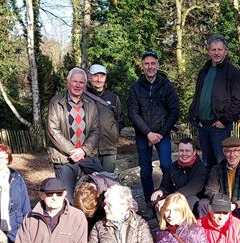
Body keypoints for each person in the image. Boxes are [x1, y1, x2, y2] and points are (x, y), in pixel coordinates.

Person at [127, 51, 180, 201]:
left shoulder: (166, 85)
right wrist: (148, 133)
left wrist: (161, 134)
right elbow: (133, 113)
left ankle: (169, 198)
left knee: (166, 166)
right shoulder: (136, 88)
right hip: (143, 135)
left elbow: (174, 110)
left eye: (153, 63)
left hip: (162, 134)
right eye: (146, 64)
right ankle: (149, 202)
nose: (150, 67)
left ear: (158, 65)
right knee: (145, 171)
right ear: (142, 66)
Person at [188, 35, 240, 170]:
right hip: (203, 126)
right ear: (209, 51)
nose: (216, 52)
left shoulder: (232, 72)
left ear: (226, 51)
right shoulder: (204, 71)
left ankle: (225, 191)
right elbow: (198, 96)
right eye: (213, 49)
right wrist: (194, 116)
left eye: (220, 49)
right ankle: (210, 190)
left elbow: (239, 101)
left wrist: (224, 121)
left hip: (219, 127)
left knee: (222, 162)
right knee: (207, 163)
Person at [47, 67, 103, 201]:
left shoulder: (91, 104)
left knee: (103, 185)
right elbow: (52, 130)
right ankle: (72, 220)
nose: (78, 85)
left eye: (81, 82)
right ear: (68, 82)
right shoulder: (56, 102)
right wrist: (73, 151)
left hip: (86, 154)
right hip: (65, 156)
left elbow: (96, 130)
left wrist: (84, 150)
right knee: (67, 196)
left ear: (85, 84)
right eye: (74, 81)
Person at [199, 136, 240, 225]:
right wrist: (222, 203)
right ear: (224, 152)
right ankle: (206, 233)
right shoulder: (216, 170)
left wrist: (236, 205)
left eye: (236, 150)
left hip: (239, 205)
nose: (232, 155)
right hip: (220, 203)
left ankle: (237, 236)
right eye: (228, 151)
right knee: (203, 204)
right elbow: (210, 190)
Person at [150, 138, 207, 214]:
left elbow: (192, 188)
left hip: (190, 197)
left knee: (191, 200)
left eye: (187, 151)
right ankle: (163, 224)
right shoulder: (173, 166)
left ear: (194, 152)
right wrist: (161, 190)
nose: (184, 154)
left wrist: (171, 199)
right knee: (156, 197)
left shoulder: (200, 168)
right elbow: (165, 185)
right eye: (181, 150)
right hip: (174, 195)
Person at [85, 64, 124, 173]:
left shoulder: (113, 97)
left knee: (108, 182)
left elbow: (120, 118)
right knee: (91, 184)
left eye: (102, 76)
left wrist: (114, 133)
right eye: (95, 76)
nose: (99, 79)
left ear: (105, 78)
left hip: (109, 148)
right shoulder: (83, 97)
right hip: (89, 149)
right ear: (89, 77)